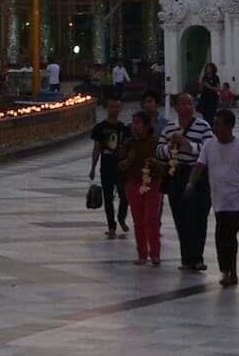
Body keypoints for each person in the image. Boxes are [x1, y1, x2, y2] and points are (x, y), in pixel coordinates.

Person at [193, 108, 239, 288]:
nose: (215, 128)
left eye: (219, 124)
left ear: (230, 126)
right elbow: (199, 166)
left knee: (229, 235)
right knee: (221, 236)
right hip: (218, 199)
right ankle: (226, 270)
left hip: (237, 200)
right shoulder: (209, 145)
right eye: (214, 124)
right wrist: (190, 183)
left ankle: (230, 272)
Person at [162, 91, 214, 271]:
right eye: (183, 104)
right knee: (181, 217)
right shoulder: (169, 128)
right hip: (177, 174)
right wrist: (170, 146)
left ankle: (197, 257)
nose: (187, 107)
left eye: (190, 103)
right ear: (176, 107)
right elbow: (159, 150)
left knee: (198, 216)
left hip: (197, 174)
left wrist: (189, 145)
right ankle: (186, 258)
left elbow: (209, 149)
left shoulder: (203, 126)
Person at [120, 111, 166, 266]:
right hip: (133, 184)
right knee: (138, 220)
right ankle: (142, 253)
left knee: (151, 219)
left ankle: (155, 253)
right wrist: (128, 160)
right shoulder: (128, 144)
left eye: (138, 123)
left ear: (147, 126)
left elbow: (166, 165)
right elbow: (120, 166)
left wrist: (156, 163)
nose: (135, 126)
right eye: (133, 123)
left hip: (152, 184)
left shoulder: (156, 143)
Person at [89, 95, 131, 239]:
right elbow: (97, 149)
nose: (114, 109)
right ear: (106, 108)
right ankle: (111, 225)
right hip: (106, 166)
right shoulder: (100, 128)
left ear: (120, 108)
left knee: (124, 195)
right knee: (107, 198)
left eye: (116, 106)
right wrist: (93, 168)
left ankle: (121, 217)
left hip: (121, 167)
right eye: (111, 106)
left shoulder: (124, 128)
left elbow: (129, 148)